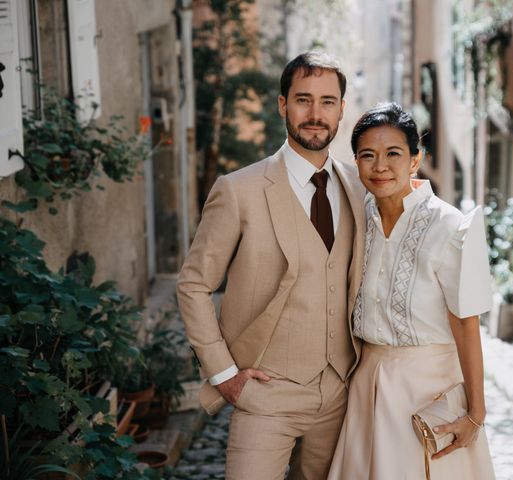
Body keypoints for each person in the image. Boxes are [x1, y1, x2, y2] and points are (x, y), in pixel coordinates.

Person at [176, 51, 366, 480]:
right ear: (283, 105)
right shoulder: (238, 190)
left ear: (341, 109)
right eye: (303, 99)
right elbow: (193, 285)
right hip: (263, 396)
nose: (315, 114)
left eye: (327, 101)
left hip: (339, 396)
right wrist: (224, 374)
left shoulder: (359, 186)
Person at [328, 103, 495, 480]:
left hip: (430, 391)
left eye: (393, 154)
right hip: (366, 387)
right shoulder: (356, 221)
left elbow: (467, 326)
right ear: (356, 162)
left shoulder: (450, 227)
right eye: (367, 155)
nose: (380, 166)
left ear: (415, 160)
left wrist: (476, 414)